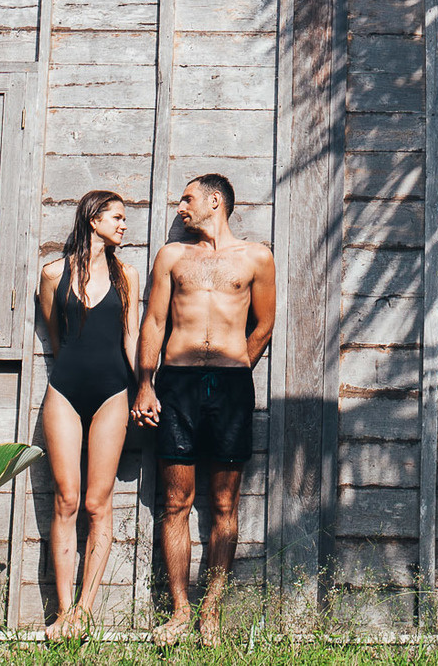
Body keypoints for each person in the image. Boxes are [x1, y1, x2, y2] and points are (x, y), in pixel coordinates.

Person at [131, 173, 276, 645]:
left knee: (224, 504)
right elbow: (153, 322)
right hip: (176, 386)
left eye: (188, 198)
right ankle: (179, 609)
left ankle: (210, 611)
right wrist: (146, 386)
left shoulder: (257, 257)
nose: (180, 207)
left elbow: (264, 324)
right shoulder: (172, 256)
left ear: (216, 201)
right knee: (175, 502)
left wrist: (233, 369)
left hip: (230, 388)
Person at [35, 189, 139, 640]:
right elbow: (56, 339)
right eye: (116, 217)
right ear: (93, 218)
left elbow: (131, 340)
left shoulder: (128, 276)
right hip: (65, 391)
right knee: (66, 499)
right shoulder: (52, 273)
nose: (123, 225)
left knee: (98, 503)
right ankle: (61, 613)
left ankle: (85, 610)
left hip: (113, 392)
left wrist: (146, 390)